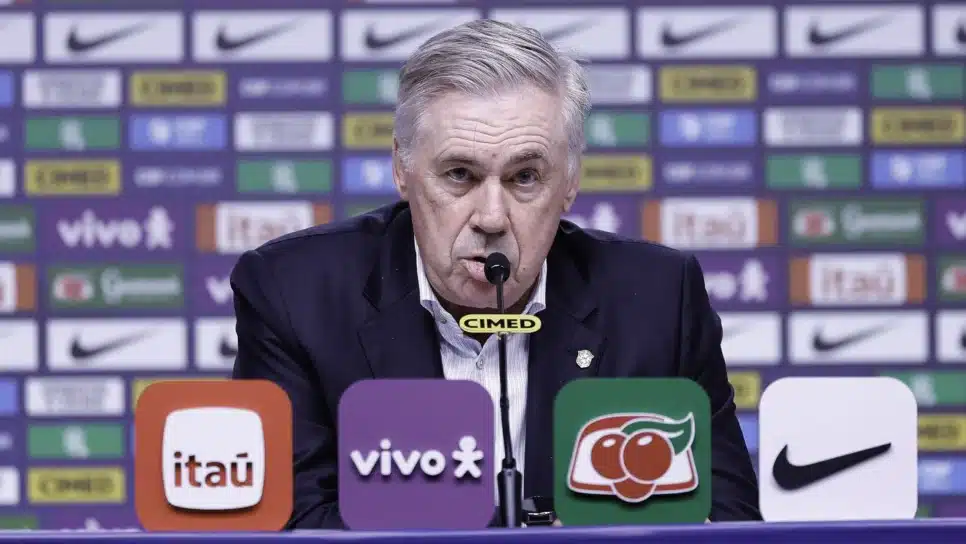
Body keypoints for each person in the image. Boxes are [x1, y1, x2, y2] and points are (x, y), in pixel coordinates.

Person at [230, 19, 761, 528]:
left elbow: (729, 522)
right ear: (402, 169)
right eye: (459, 174)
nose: (490, 217)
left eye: (525, 177)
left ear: (570, 182)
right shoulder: (295, 295)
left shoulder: (659, 301)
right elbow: (293, 525)